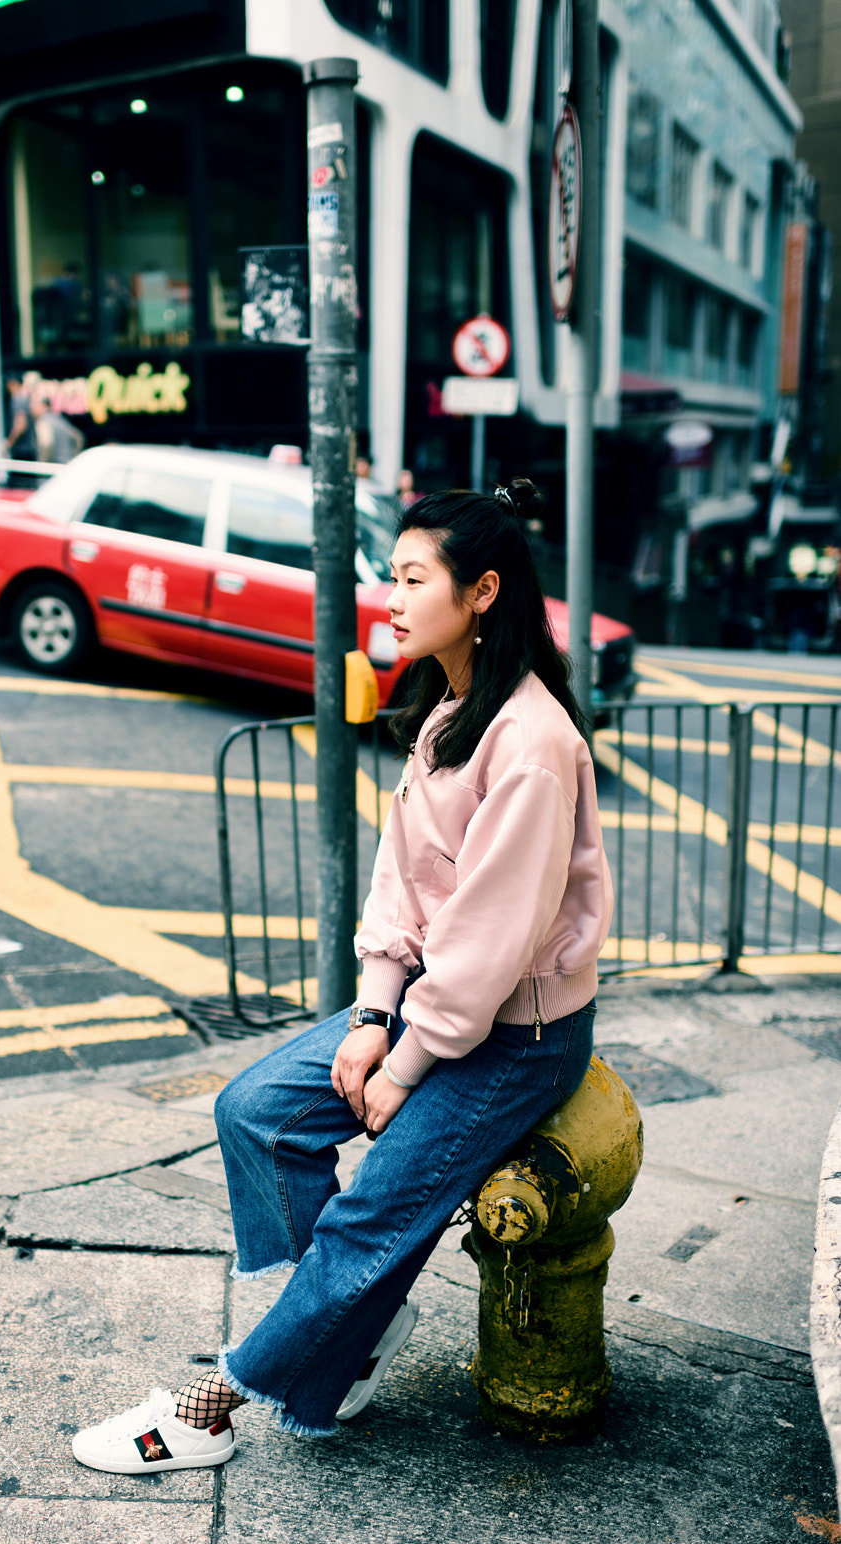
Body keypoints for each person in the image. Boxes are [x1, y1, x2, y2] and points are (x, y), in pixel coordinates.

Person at [71, 481, 614, 1476]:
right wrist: (371, 1014)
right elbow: (402, 884)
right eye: (391, 575)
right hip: (433, 1006)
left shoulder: (531, 743)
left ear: (484, 590)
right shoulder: (452, 710)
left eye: (413, 577)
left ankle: (212, 1407)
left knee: (369, 1218)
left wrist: (403, 1067)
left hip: (515, 1038)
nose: (391, 596)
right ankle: (347, 1328)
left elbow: (491, 948)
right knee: (258, 1110)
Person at [30, 393, 84, 465]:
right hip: (67, 465)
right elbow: (79, 438)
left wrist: (41, 465)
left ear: (44, 406)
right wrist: (73, 455)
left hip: (53, 467)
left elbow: (46, 444)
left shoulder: (43, 421)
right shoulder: (59, 419)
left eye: (35, 405)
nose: (31, 408)